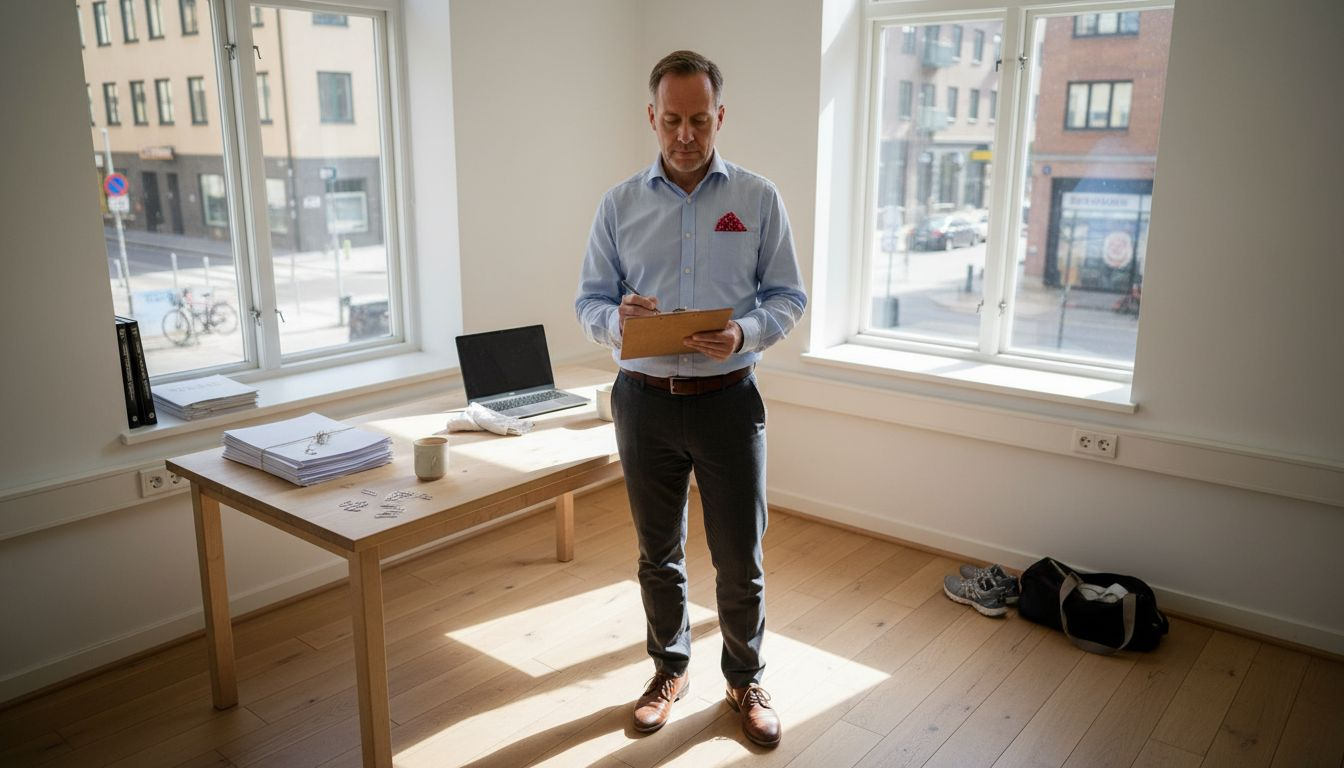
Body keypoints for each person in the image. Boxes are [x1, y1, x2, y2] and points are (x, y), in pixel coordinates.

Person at [574, 49, 807, 748]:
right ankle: (668, 670)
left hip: (729, 402)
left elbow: (788, 296)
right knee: (658, 553)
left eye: (698, 119)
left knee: (740, 557)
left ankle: (745, 679)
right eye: (671, 119)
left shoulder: (758, 199)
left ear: (719, 116)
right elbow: (588, 299)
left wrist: (744, 331)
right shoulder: (617, 204)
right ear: (652, 117)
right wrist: (619, 321)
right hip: (642, 402)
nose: (684, 134)